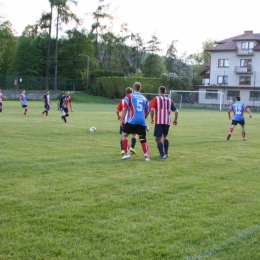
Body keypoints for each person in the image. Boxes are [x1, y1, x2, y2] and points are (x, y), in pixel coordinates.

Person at [121, 82, 150, 161]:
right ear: (140, 88)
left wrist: (122, 119)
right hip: (141, 121)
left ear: (133, 88)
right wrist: (143, 118)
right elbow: (148, 111)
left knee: (124, 135)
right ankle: (146, 156)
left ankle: (127, 154)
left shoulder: (129, 96)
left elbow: (125, 108)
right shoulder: (144, 98)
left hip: (132, 120)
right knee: (143, 138)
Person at [150, 86, 178, 159]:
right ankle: (166, 153)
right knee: (165, 137)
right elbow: (176, 111)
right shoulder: (169, 100)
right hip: (167, 121)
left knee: (158, 138)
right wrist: (175, 120)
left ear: (159, 91)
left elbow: (152, 110)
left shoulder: (156, 99)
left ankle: (162, 155)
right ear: (165, 92)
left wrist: (152, 118)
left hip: (159, 121)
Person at [116, 87, 137, 155]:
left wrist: (119, 116)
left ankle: (123, 150)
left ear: (125, 93)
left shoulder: (122, 100)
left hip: (124, 120)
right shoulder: (134, 100)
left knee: (123, 136)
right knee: (134, 134)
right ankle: (132, 147)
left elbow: (117, 110)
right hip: (133, 120)